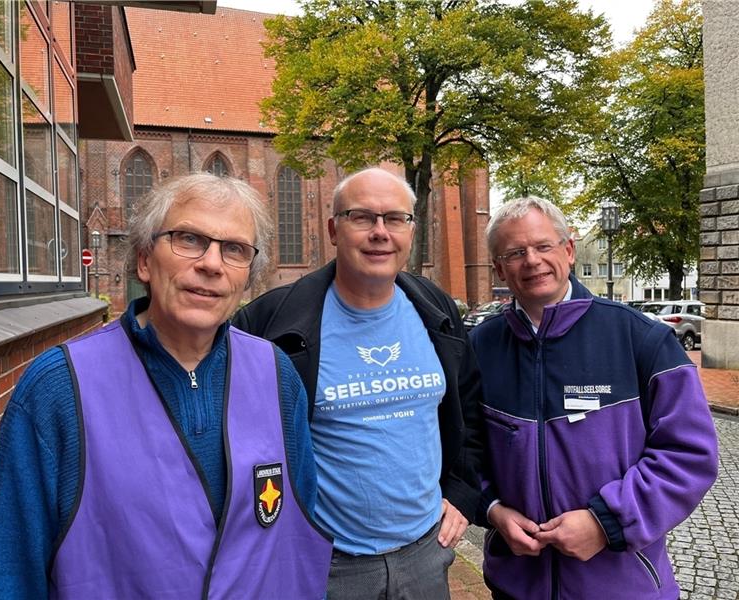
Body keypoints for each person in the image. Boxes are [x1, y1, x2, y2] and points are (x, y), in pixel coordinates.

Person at [0, 173, 332, 599]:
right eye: (188, 239)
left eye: (234, 249)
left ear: (247, 277)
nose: (212, 264)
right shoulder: (60, 388)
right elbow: (11, 574)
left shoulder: (276, 375)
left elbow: (297, 529)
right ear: (144, 260)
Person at [233, 167, 484, 599]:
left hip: (425, 555)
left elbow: (470, 406)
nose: (380, 232)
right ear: (334, 229)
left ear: (411, 230)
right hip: (329, 565)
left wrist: (461, 493)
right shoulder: (271, 322)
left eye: (395, 219)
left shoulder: (435, 310)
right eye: (362, 217)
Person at [469, 196, 718, 599]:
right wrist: (493, 509)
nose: (531, 260)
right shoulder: (479, 348)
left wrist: (606, 523)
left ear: (568, 250)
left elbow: (689, 454)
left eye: (543, 246)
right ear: (498, 268)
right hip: (516, 585)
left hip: (622, 586)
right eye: (515, 253)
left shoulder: (641, 339)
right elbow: (464, 449)